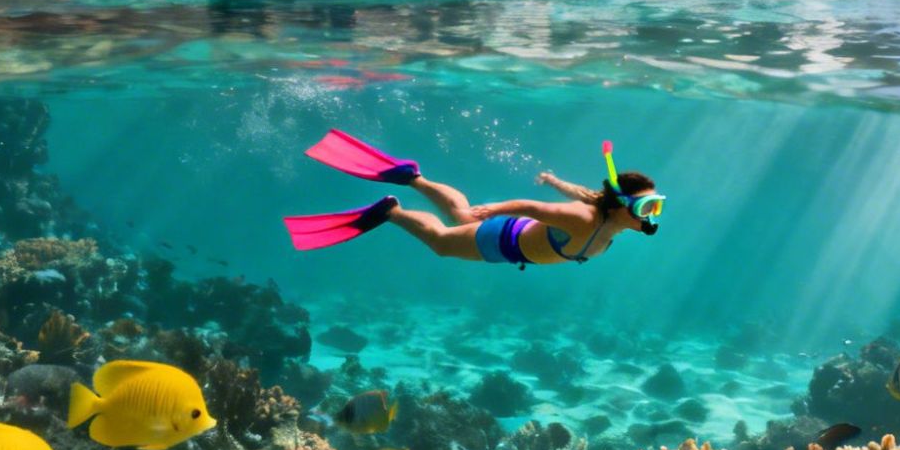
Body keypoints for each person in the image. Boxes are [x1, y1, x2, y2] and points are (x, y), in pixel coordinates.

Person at [285, 133, 664, 268]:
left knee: (458, 214)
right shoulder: (583, 220)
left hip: (515, 240)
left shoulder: (603, 212)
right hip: (506, 241)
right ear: (620, 207)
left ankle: (412, 176)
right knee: (441, 245)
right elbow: (531, 207)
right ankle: (392, 211)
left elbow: (584, 194)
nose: (651, 215)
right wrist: (495, 209)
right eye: (646, 207)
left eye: (656, 206)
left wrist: (553, 180)